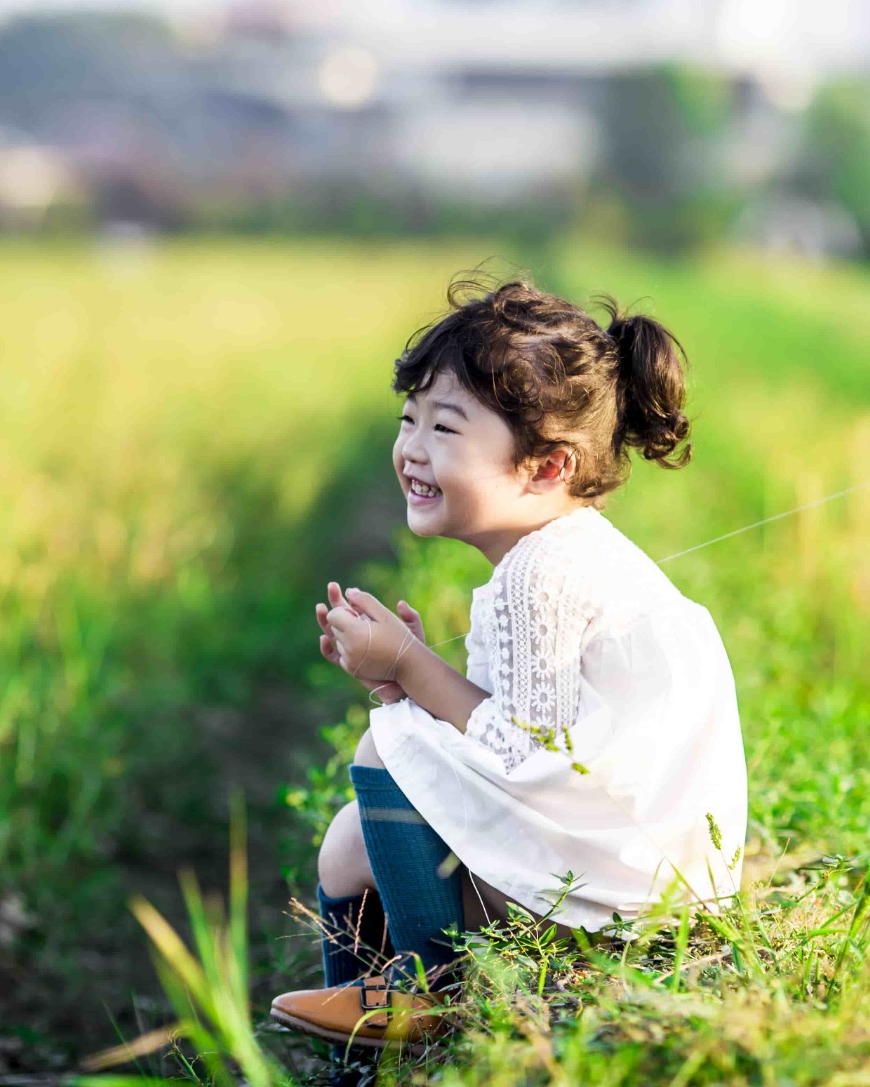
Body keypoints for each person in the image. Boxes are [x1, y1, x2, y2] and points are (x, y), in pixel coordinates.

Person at [267, 272, 748, 1052]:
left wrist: (414, 671)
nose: (412, 450)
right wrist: (404, 676)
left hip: (611, 891)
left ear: (546, 467)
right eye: (409, 419)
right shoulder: (556, 556)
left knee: (384, 748)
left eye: (446, 430)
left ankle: (428, 993)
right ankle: (363, 1027)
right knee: (352, 841)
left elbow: (526, 751)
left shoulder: (540, 576)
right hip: (623, 864)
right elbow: (529, 738)